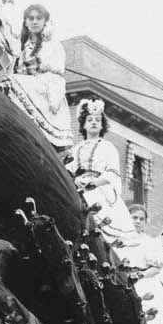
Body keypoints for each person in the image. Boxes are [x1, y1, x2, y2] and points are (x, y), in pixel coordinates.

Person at [63, 97, 145, 261]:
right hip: (78, 187)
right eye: (89, 120)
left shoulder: (107, 147)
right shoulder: (76, 149)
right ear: (83, 124)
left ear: (102, 125)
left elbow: (112, 173)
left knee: (97, 214)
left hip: (99, 189)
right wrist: (74, 179)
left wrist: (94, 182)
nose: (93, 123)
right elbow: (68, 170)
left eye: (97, 120)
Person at [0, 4, 70, 148]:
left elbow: (55, 76)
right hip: (25, 84)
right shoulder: (21, 46)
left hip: (43, 89)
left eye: (38, 18)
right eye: (31, 18)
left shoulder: (53, 45)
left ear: (45, 22)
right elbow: (12, 69)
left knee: (14, 81)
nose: (34, 22)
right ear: (25, 21)